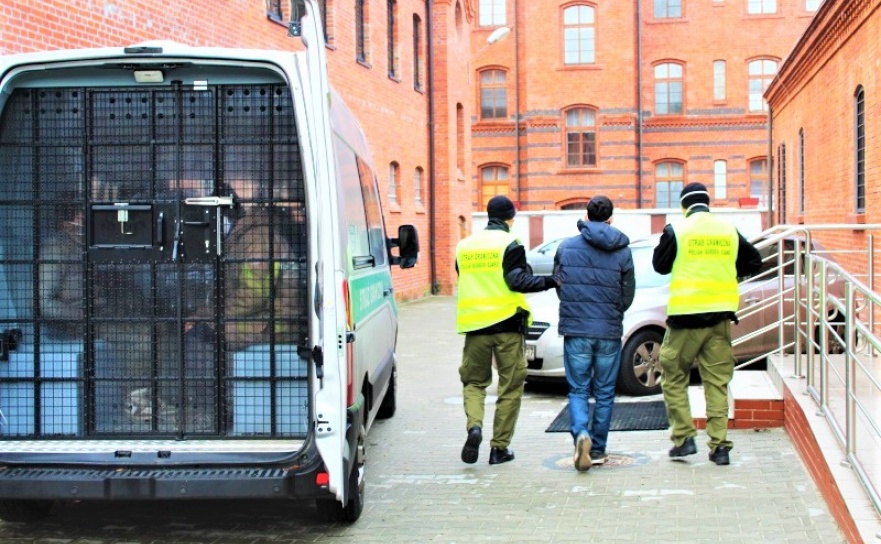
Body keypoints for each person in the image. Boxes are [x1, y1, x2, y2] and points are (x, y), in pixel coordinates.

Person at [652, 182, 762, 466]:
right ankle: (720, 447)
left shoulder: (677, 229)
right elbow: (754, 261)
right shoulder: (728, 229)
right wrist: (727, 271)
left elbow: (660, 266)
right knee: (717, 382)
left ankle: (684, 438)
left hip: (685, 319)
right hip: (721, 318)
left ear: (684, 206)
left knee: (674, 375)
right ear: (707, 203)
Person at [455, 195, 558, 465]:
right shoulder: (510, 243)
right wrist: (552, 281)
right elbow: (517, 281)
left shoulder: (464, 247)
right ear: (510, 218)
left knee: (474, 383)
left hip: (474, 326)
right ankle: (499, 448)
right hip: (507, 327)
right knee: (510, 386)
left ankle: (474, 426)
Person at [553, 195, 635, 472]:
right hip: (608, 330)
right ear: (611, 218)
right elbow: (628, 293)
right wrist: (615, 311)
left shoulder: (566, 248)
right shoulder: (622, 250)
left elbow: (560, 284)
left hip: (576, 329)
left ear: (586, 217)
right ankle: (597, 448)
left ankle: (580, 434)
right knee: (604, 392)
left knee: (578, 389)